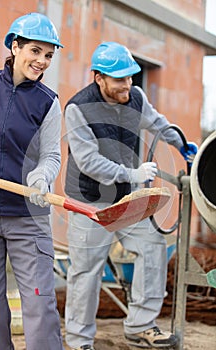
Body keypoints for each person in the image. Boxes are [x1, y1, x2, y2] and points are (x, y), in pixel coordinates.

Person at [63, 42, 198, 350]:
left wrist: (180, 143)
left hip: (126, 199)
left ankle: (140, 326)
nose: (127, 85)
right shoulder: (77, 108)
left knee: (152, 250)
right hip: (90, 202)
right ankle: (79, 341)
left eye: (130, 77)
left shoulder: (135, 96)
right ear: (99, 78)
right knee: (86, 271)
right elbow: (88, 162)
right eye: (119, 79)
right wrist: (130, 174)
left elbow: (157, 122)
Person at [0, 13, 65, 350]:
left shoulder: (47, 102)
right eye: (35, 51)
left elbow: (51, 156)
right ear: (14, 46)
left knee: (38, 304)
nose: (42, 61)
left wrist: (42, 176)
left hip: (28, 217)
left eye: (48, 55)